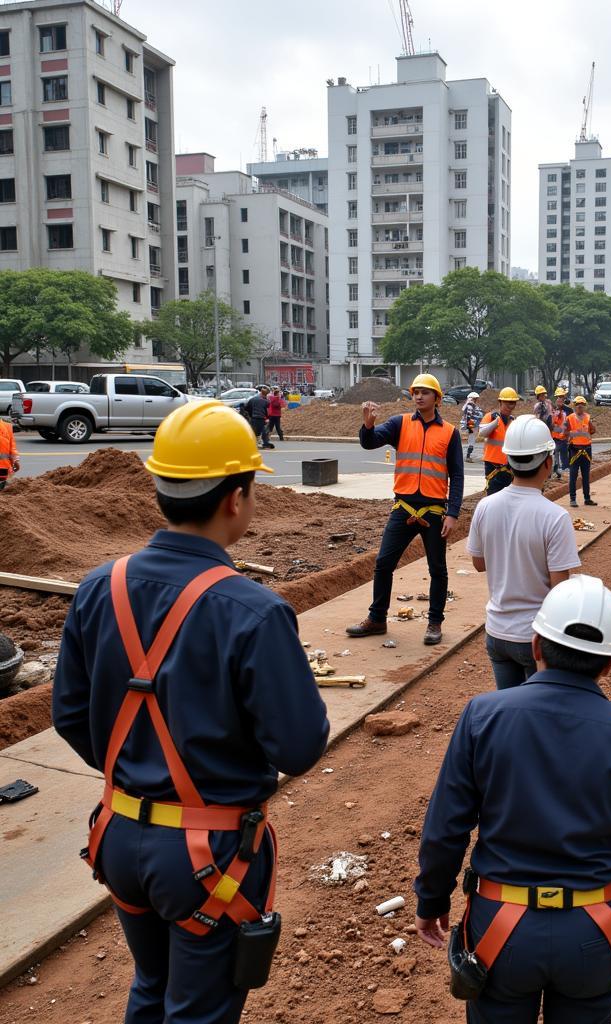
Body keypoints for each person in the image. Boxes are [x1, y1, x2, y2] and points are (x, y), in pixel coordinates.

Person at [52, 400, 329, 1023]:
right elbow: (300, 746)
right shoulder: (253, 611)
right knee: (198, 1010)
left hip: (120, 835)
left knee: (152, 986)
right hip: (209, 857)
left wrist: (138, 768)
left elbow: (68, 713)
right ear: (236, 497)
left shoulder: (101, 587)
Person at [414, 575, 611, 1022]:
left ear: (535, 646)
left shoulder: (483, 717)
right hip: (593, 933)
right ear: (608, 665)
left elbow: (446, 828)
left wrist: (431, 900)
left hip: (500, 932)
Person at [346, 374, 464, 646]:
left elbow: (457, 475)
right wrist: (367, 425)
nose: (419, 396)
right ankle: (377, 618)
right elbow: (370, 442)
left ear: (436, 397)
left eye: (425, 392)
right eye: (415, 392)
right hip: (404, 507)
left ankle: (435, 622)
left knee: (438, 569)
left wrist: (453, 513)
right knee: (383, 563)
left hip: (434, 511)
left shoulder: (449, 432)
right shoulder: (399, 424)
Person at [467, 416, 581, 689]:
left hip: (497, 633)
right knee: (541, 714)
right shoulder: (555, 517)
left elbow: (479, 563)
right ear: (548, 462)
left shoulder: (486, 507)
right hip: (535, 637)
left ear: (508, 461)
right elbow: (559, 590)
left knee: (510, 712)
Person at [478, 387, 520, 496]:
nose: (510, 406)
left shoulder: (513, 421)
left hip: (509, 467)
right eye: (508, 403)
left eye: (513, 403)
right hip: (493, 467)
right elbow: (482, 433)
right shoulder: (491, 417)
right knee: (493, 497)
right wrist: (495, 423)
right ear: (500, 402)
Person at [567, 395, 598, 508]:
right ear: (574, 406)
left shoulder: (588, 418)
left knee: (586, 476)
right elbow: (565, 431)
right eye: (578, 405)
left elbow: (593, 430)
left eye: (582, 405)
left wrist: (589, 428)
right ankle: (572, 499)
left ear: (584, 406)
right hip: (574, 450)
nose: (580, 407)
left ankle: (587, 498)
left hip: (586, 450)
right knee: (573, 475)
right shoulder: (570, 418)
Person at [550, 387, 570, 481]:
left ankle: (564, 469)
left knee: (564, 454)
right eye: (558, 397)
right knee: (555, 454)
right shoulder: (553, 410)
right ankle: (556, 471)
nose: (560, 398)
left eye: (561, 397)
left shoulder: (568, 410)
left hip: (564, 437)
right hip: (554, 437)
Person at [245, 386, 273, 450]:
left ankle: (251, 444)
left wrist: (251, 414)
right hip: (261, 418)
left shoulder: (252, 399)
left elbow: (247, 408)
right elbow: (268, 411)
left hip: (254, 418)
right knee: (263, 431)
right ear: (265, 394)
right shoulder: (266, 401)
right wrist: (267, 418)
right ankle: (265, 444)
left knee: (253, 431)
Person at [460, 391, 484, 463]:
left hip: (473, 424)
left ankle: (468, 456)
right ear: (473, 398)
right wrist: (470, 427)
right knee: (471, 441)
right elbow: (469, 417)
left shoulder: (471, 405)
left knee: (471, 440)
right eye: (475, 398)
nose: (476, 399)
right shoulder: (470, 405)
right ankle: (468, 456)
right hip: (472, 425)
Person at [0, 413, 20, 491]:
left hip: (5, 471)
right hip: (5, 471)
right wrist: (15, 461)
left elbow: (12, 448)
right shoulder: (7, 426)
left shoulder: (7, 426)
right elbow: (12, 448)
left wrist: (15, 461)